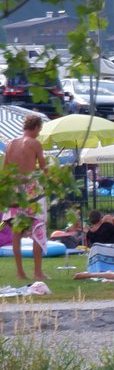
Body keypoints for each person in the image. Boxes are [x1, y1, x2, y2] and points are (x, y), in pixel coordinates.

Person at [4, 113, 48, 283]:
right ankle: (38, 272)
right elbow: (43, 168)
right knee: (38, 227)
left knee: (16, 231)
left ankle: (20, 272)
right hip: (31, 189)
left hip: (14, 189)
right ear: (36, 127)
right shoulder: (35, 143)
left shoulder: (11, 144)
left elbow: (6, 169)